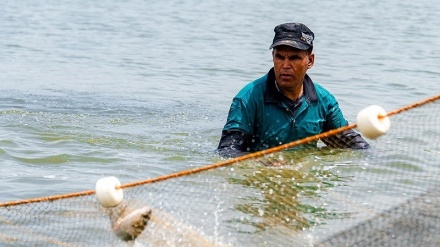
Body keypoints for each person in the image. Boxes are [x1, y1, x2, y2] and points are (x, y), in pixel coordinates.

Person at [217, 22, 369, 158]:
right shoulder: (248, 98)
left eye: (294, 58)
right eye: (280, 57)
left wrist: (375, 157)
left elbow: (348, 142)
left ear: (310, 61)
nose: (285, 65)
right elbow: (227, 150)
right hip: (262, 180)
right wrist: (261, 162)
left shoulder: (324, 101)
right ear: (273, 56)